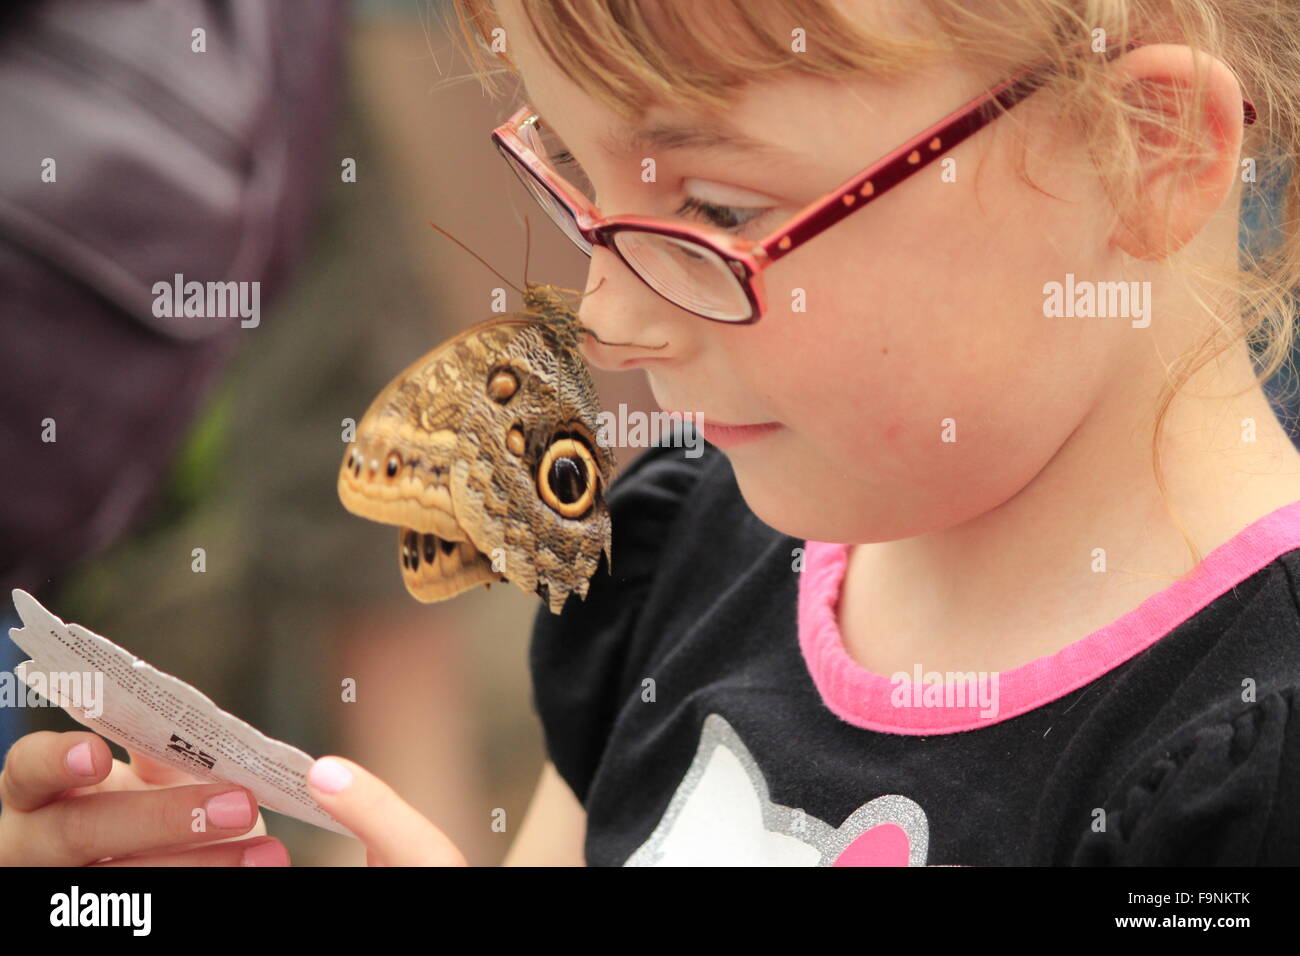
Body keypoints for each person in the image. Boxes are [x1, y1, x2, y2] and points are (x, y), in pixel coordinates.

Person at [4, 0, 1300, 866]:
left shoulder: (1235, 775)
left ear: (1145, 151)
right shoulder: (691, 554)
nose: (609, 320)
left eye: (718, 205)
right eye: (570, 168)